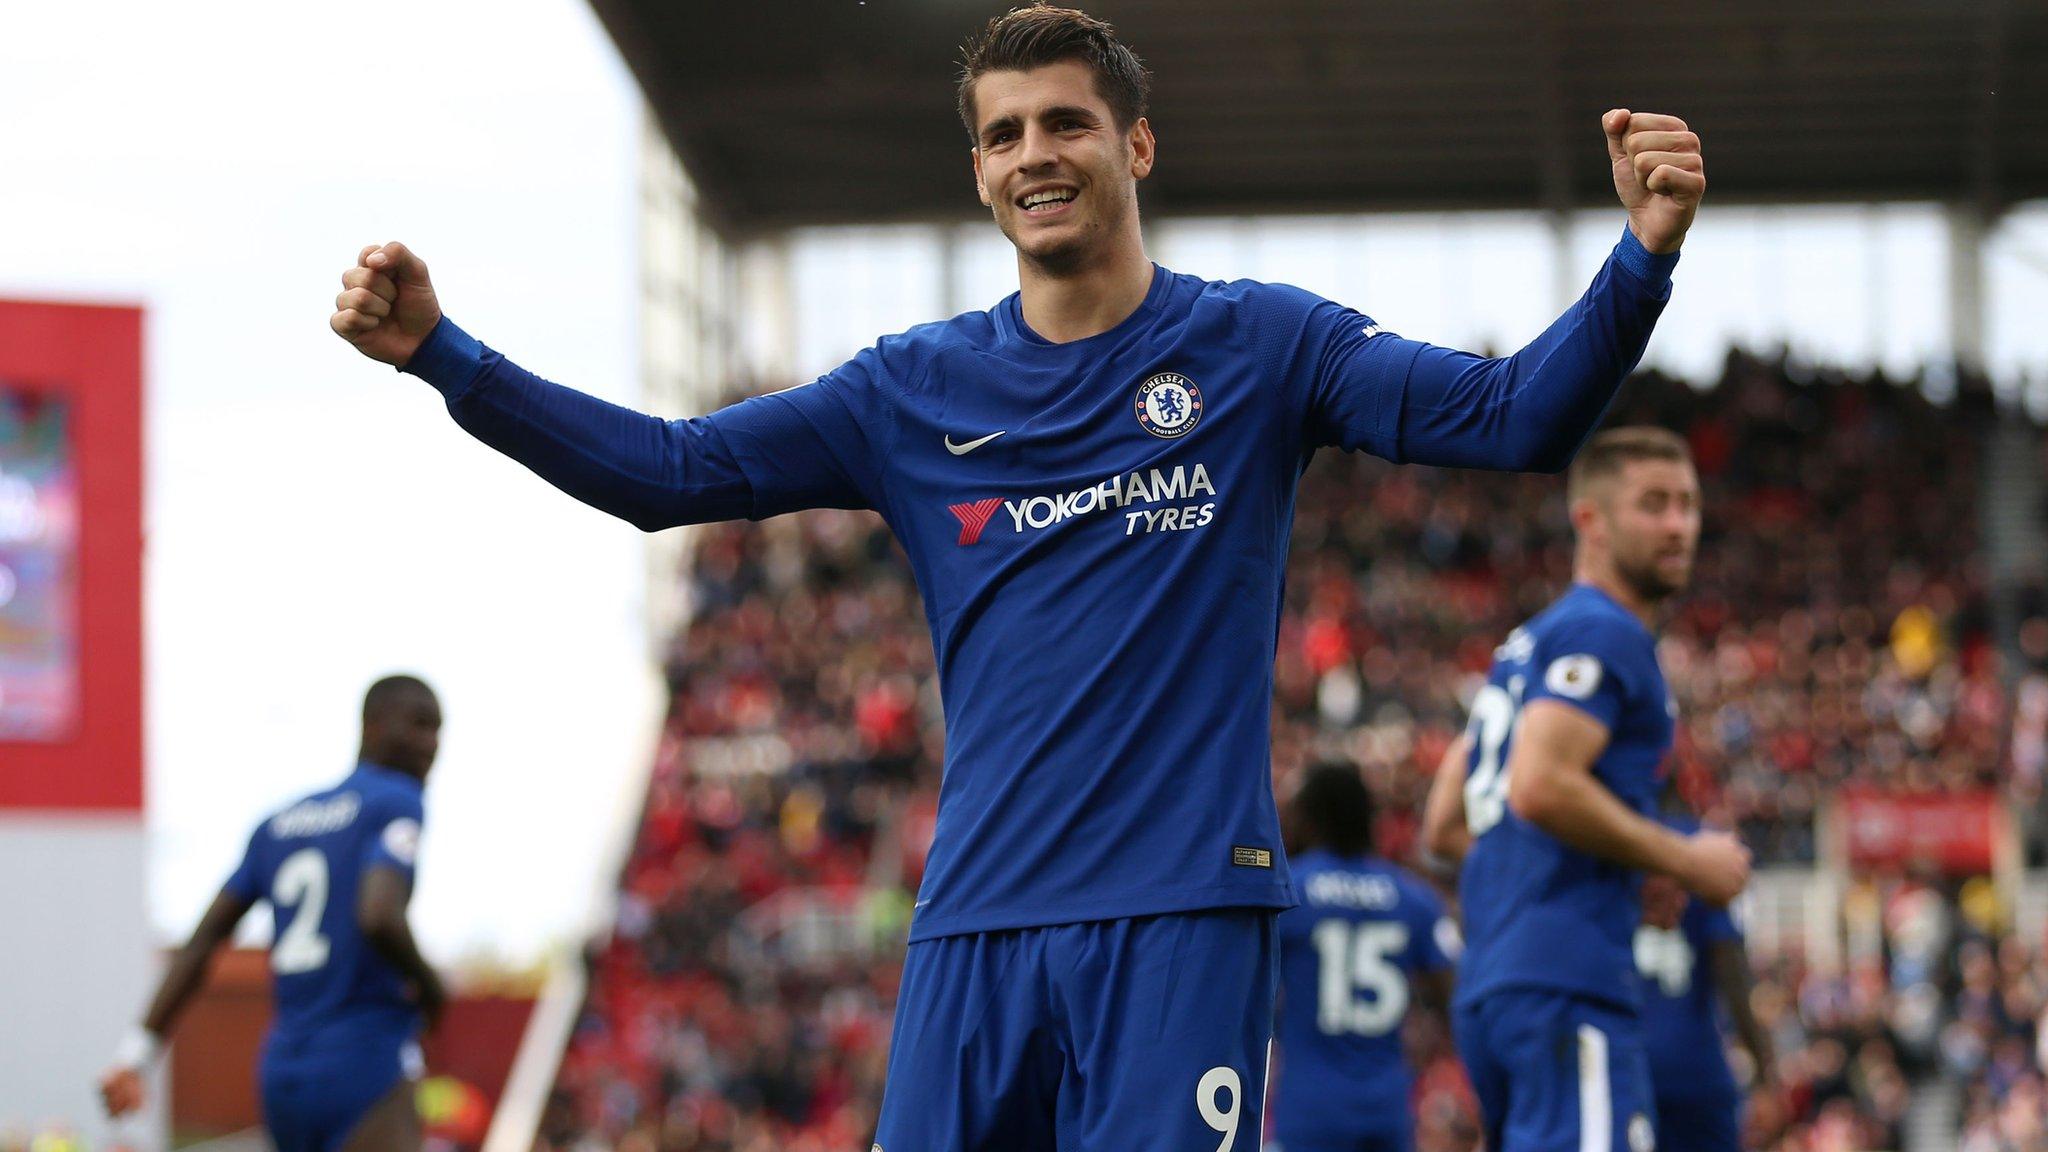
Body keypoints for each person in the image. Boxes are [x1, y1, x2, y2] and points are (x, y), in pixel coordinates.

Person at [328, 5, 1707, 1144]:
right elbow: (667, 474)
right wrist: (452, 355)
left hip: (1183, 922)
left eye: (1065, 122)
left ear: (1137, 144)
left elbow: (1514, 419)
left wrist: (1638, 257)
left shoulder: (1263, 349)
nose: (1034, 153)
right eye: (1003, 135)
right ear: (980, 176)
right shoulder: (911, 391)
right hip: (977, 925)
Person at [1429, 427, 1750, 1152]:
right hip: (1566, 981)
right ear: (1590, 521)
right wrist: (1681, 857)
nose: (1679, 525)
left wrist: (1619, 864)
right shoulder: (1606, 633)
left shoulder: (1525, 644)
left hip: (1495, 986)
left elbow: (1446, 824)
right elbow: (1539, 786)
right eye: (1654, 505)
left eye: (1688, 505)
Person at [100, 675, 447, 1152]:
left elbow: (202, 941)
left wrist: (136, 1054)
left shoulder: (278, 824)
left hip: (285, 1073)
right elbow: (379, 914)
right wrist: (432, 989)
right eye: (419, 726)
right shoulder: (396, 800)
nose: (431, 745)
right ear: (373, 725)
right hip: (364, 1061)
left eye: (437, 731)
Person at [1271, 763, 1457, 1152]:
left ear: (1311, 816)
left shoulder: (1290, 894)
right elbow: (1453, 995)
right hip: (1387, 1101)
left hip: (1311, 1104)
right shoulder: (1414, 897)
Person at [1636, 815, 1777, 1152]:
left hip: (1629, 1064)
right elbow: (1731, 974)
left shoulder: (1607, 837)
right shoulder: (1700, 852)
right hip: (1695, 1067)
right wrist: (1764, 1072)